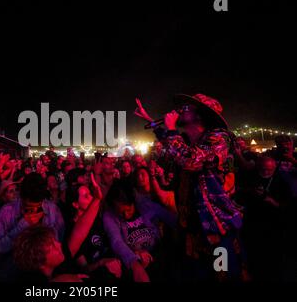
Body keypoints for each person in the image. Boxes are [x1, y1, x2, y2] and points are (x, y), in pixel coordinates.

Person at [135, 93, 247, 281]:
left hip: (216, 227)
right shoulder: (190, 140)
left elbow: (190, 160)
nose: (179, 110)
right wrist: (152, 122)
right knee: (199, 274)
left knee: (223, 275)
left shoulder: (219, 138)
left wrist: (171, 129)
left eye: (185, 108)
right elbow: (172, 144)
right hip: (194, 227)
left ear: (200, 114)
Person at [0, 172, 65, 281]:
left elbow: (59, 243)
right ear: (22, 197)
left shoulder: (52, 210)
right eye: (28, 208)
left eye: (38, 208)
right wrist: (21, 226)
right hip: (14, 273)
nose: (33, 212)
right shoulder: (7, 211)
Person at [103, 180, 177, 282]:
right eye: (120, 212)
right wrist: (133, 261)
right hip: (134, 260)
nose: (125, 215)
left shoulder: (145, 205)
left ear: (133, 201)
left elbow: (171, 219)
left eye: (128, 210)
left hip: (158, 254)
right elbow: (116, 241)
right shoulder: (109, 216)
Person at [67, 173, 122, 281]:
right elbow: (84, 269)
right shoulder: (73, 232)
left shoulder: (97, 219)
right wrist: (102, 263)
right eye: (86, 196)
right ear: (75, 204)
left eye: (90, 194)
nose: (91, 197)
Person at [13, 226, 88, 282]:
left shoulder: (60, 268)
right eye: (53, 246)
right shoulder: (28, 280)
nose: (59, 244)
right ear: (39, 261)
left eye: (55, 241)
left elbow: (80, 231)